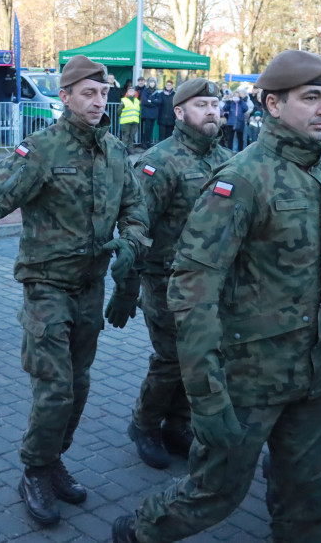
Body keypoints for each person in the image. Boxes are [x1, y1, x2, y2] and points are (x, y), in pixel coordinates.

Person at [113, 50, 321, 543]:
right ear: (273, 105)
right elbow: (193, 288)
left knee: (312, 502)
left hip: (312, 375)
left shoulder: (318, 174)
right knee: (215, 494)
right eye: (310, 98)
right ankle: (140, 531)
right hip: (250, 376)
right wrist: (207, 396)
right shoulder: (243, 179)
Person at [0, 55, 150, 527]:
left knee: (79, 385)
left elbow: (136, 210)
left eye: (103, 94)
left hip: (91, 288)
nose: (98, 102)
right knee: (55, 389)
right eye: (88, 94)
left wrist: (130, 255)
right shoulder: (42, 150)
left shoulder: (115, 152)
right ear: (67, 96)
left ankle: (54, 459)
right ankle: (34, 469)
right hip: (47, 286)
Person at [108, 78, 232, 470]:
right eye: (201, 105)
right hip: (166, 280)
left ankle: (178, 424)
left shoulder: (226, 159)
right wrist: (127, 288)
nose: (211, 111)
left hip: (212, 282)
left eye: (214, 104)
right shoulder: (159, 161)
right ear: (179, 113)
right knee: (170, 359)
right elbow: (136, 226)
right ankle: (144, 424)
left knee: (198, 358)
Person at [140, 77, 163, 149]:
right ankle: (144, 143)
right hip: (146, 114)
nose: (152, 83)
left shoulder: (157, 92)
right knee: (146, 129)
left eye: (153, 82)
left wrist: (151, 101)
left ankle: (148, 143)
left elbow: (159, 101)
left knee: (150, 130)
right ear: (148, 83)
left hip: (153, 114)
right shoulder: (145, 91)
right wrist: (153, 103)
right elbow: (144, 101)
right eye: (151, 82)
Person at [119, 84, 141, 152]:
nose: (131, 92)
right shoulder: (124, 100)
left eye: (132, 91)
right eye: (130, 91)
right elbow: (119, 111)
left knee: (132, 137)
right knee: (125, 137)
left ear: (134, 93)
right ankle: (123, 151)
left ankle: (130, 150)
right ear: (127, 93)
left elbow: (139, 111)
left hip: (135, 121)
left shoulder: (137, 101)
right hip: (126, 122)